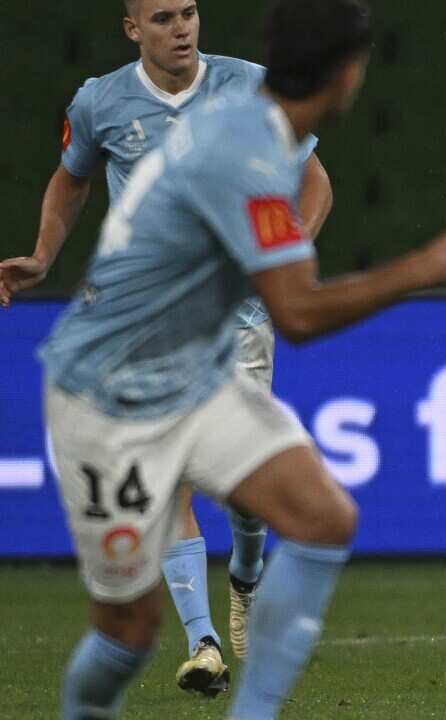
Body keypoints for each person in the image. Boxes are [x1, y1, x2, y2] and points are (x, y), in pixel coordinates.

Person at [38, 1, 446, 717]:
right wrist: (427, 266)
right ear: (348, 74)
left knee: (322, 517)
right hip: (107, 395)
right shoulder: (242, 147)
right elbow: (301, 313)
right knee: (129, 633)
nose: (183, 26)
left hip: (195, 370)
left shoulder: (246, 123)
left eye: (190, 12)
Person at [0, 0, 335, 695]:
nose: (181, 27)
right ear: (133, 29)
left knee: (244, 495)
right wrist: (41, 254)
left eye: (189, 13)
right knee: (169, 476)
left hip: (237, 317)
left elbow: (313, 179)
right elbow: (73, 178)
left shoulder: (249, 86)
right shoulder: (101, 102)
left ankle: (246, 574)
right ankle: (202, 642)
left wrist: (281, 253)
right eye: (162, 18)